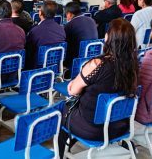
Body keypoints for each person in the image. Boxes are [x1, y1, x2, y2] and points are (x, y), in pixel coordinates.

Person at [58, 18, 138, 158]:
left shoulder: (97, 64)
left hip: (94, 129)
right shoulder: (135, 65)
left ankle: (60, 154)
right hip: (121, 126)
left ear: (107, 37)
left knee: (61, 110)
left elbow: (72, 91)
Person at [26, 1, 66, 69]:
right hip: (56, 65)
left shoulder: (35, 31)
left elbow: (29, 51)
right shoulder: (61, 29)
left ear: (40, 13)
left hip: (38, 66)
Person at [64, 1, 98, 67]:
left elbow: (65, 41)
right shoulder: (91, 20)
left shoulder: (70, 25)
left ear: (69, 14)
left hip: (78, 57)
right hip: (93, 54)